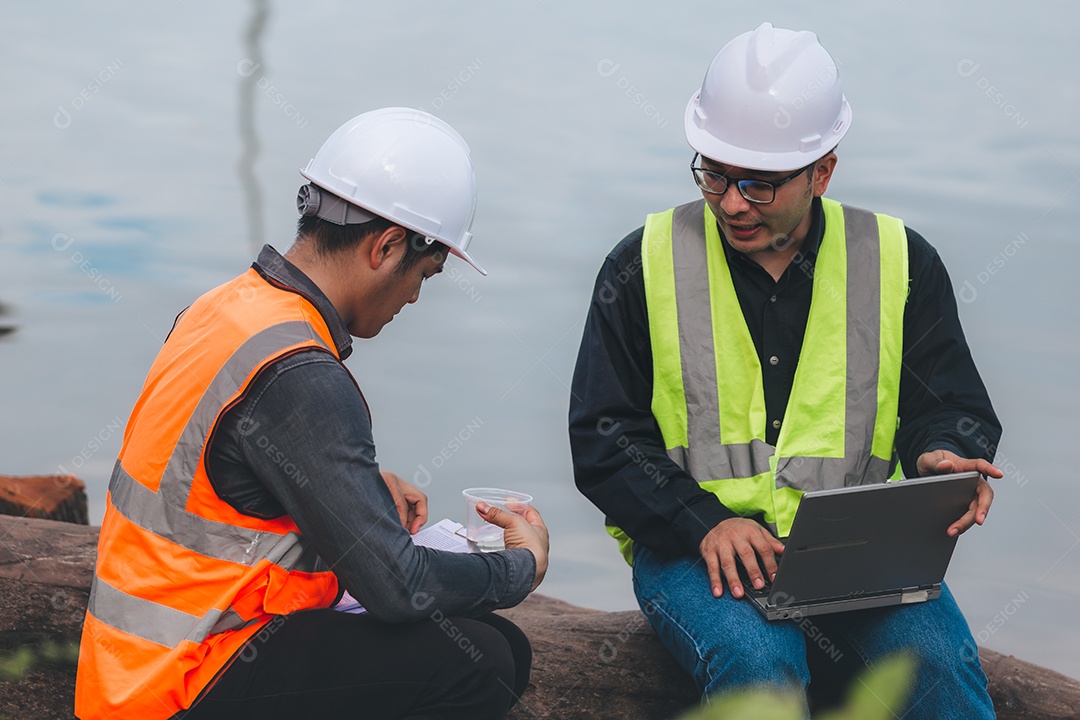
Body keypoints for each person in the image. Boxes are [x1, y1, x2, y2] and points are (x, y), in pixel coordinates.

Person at [569, 22, 1002, 719]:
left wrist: (945, 454)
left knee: (939, 669)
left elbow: (946, 401)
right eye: (713, 172)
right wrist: (700, 519)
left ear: (823, 171)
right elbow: (603, 436)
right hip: (694, 554)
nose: (732, 201)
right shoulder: (641, 264)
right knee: (760, 670)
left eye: (759, 185)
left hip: (859, 557)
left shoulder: (899, 261)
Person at [75, 108, 549, 720]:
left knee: (497, 647)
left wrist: (346, 490)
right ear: (386, 246)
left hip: (128, 674)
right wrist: (519, 567)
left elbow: (214, 474)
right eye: (424, 276)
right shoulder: (301, 373)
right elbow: (397, 588)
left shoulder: (224, 309)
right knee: (480, 658)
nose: (413, 297)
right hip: (182, 685)